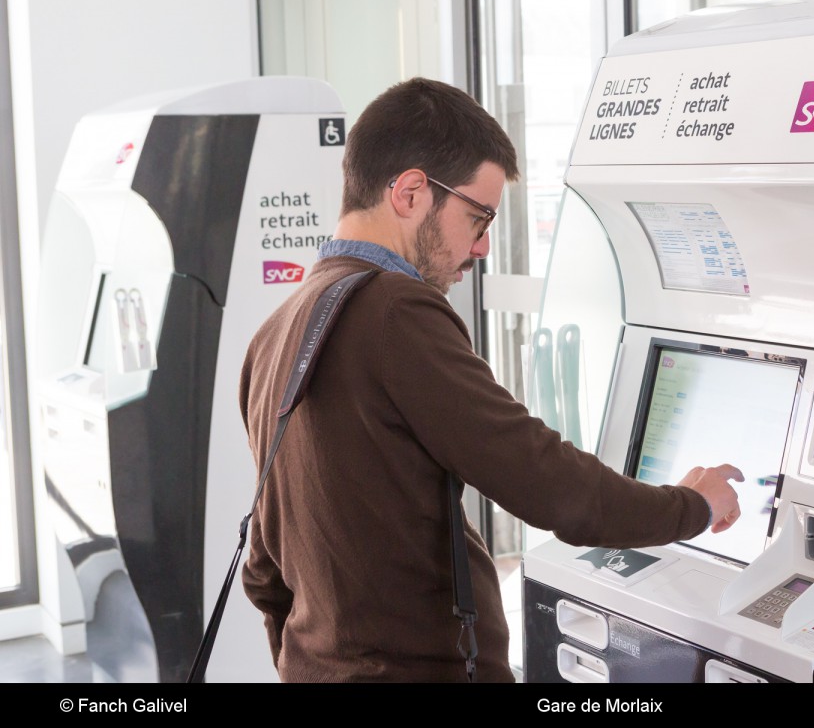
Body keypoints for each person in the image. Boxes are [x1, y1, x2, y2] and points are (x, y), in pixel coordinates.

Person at [238, 77, 744, 683]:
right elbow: (543, 479)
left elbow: (264, 569)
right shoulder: (395, 311)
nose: (480, 248)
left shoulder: (275, 333)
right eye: (477, 218)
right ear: (410, 192)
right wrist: (692, 506)